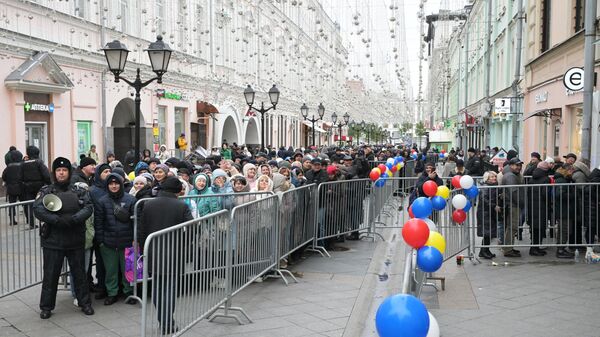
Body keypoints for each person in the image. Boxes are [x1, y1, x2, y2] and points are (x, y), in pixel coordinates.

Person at [33, 157, 94, 319]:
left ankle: (85, 303)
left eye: (64, 170)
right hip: (53, 240)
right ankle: (46, 307)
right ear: (54, 172)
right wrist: (56, 220)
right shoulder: (47, 190)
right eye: (58, 170)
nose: (61, 173)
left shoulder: (78, 190)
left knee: (80, 274)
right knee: (51, 275)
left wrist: (74, 219)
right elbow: (37, 209)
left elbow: (88, 207)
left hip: (75, 239)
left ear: (69, 172)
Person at [140, 177, 193, 334]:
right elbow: (193, 228)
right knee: (169, 288)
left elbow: (142, 230)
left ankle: (163, 321)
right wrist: (183, 242)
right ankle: (167, 322)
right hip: (174, 252)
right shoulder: (181, 205)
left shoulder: (148, 204)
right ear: (176, 191)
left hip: (153, 251)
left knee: (157, 287)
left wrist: (145, 248)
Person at [94, 173, 137, 305]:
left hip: (127, 241)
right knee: (111, 271)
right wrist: (101, 241)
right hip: (108, 242)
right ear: (107, 185)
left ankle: (128, 292)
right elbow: (99, 222)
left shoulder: (131, 200)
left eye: (116, 183)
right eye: (111, 184)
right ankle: (112, 293)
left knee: (128, 270)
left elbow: (136, 222)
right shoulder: (102, 201)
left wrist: (135, 239)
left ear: (121, 184)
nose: (114, 186)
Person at [89, 163, 112, 298]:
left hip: (112, 230)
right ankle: (101, 286)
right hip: (98, 230)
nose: (108, 174)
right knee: (100, 261)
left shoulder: (113, 186)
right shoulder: (93, 191)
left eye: (109, 171)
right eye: (105, 172)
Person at [21, 146, 52, 229]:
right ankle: (46, 220)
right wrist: (50, 184)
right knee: (43, 203)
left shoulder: (23, 164)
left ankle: (31, 223)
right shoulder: (39, 162)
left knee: (29, 205)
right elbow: (46, 175)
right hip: (39, 186)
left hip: (27, 186)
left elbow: (20, 176)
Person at [527, 161, 552, 256]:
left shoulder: (532, 178)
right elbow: (545, 194)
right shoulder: (546, 179)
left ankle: (534, 247)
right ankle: (535, 249)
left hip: (532, 206)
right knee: (540, 228)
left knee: (534, 228)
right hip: (542, 207)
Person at [501, 158, 524, 257]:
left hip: (512, 204)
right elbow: (514, 192)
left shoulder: (512, 175)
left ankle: (508, 247)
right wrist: (521, 203)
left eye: (520, 165)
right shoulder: (511, 176)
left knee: (511, 227)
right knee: (512, 227)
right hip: (513, 205)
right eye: (516, 165)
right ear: (511, 166)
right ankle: (508, 249)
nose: (519, 167)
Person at [553, 165, 576, 258]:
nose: (573, 173)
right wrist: (573, 195)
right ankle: (560, 250)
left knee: (564, 230)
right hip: (563, 210)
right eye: (571, 171)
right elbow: (560, 195)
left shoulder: (563, 179)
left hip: (564, 209)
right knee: (564, 230)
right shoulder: (561, 180)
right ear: (567, 171)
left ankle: (561, 248)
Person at [476, 171, 500, 259]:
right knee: (487, 232)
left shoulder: (493, 186)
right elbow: (484, 199)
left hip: (489, 212)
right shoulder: (486, 187)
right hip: (485, 212)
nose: (494, 178)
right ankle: (484, 251)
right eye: (491, 177)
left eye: (494, 176)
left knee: (489, 232)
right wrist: (494, 206)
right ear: (487, 179)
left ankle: (485, 250)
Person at [2, 150, 24, 225]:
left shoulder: (8, 167)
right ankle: (29, 220)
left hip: (11, 188)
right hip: (21, 187)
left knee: (12, 205)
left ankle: (12, 220)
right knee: (25, 204)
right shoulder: (22, 165)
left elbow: (4, 177)